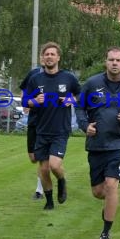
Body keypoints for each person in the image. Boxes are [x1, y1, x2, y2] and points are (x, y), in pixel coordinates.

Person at [75, 46, 120, 239]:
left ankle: (106, 232)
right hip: (97, 144)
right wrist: (84, 126)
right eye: (111, 60)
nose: (114, 63)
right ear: (106, 62)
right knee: (99, 192)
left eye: (118, 60)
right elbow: (80, 107)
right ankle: (108, 207)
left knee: (111, 184)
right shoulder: (92, 84)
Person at [23, 42, 81, 210]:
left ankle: (62, 180)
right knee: (43, 169)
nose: (49, 57)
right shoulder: (35, 79)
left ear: (58, 58)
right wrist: (34, 101)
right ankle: (49, 201)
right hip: (41, 130)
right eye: (46, 54)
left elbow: (81, 94)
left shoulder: (68, 78)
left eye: (52, 54)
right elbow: (26, 100)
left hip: (60, 130)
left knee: (54, 165)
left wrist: (71, 100)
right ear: (43, 58)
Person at [19, 55, 45, 200]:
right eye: (44, 54)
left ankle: (39, 190)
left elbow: (71, 94)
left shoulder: (61, 76)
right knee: (33, 157)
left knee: (42, 157)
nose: (46, 57)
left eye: (51, 54)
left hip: (49, 121)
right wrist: (28, 103)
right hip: (34, 120)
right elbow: (23, 89)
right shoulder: (33, 74)